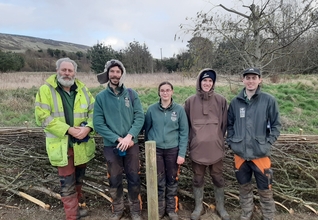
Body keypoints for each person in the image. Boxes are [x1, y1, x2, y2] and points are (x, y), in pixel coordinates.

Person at [35, 57, 96, 220]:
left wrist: (88, 127)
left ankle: (75, 210)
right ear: (57, 71)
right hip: (61, 145)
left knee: (78, 180)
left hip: (81, 145)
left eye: (70, 71)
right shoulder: (46, 90)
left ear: (75, 73)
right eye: (64, 70)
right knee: (67, 183)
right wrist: (68, 130)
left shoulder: (83, 90)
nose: (67, 73)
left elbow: (95, 112)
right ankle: (72, 216)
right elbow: (42, 117)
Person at [227, 67, 281, 220]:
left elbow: (276, 125)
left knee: (265, 189)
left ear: (260, 80)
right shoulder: (235, 102)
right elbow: (229, 125)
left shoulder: (268, 100)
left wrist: (268, 143)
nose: (250, 81)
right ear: (242, 80)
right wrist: (232, 142)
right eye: (247, 78)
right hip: (240, 154)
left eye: (254, 78)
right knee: (244, 188)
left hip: (260, 154)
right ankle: (246, 214)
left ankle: (268, 216)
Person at [93, 59, 145, 220]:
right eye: (112, 72)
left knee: (134, 177)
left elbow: (139, 116)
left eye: (118, 72)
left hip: (131, 144)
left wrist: (130, 136)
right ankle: (118, 210)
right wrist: (117, 139)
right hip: (112, 147)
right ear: (108, 74)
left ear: (122, 74)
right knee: (114, 179)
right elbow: (98, 124)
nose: (115, 75)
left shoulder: (131, 94)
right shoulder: (101, 97)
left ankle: (135, 210)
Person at [184, 68, 230, 220]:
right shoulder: (190, 101)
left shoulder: (221, 101)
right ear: (199, 82)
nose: (207, 83)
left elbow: (224, 125)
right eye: (204, 80)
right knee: (198, 178)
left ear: (213, 83)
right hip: (197, 150)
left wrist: (217, 139)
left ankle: (221, 207)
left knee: (218, 177)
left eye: (210, 81)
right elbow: (186, 126)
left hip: (215, 149)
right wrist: (193, 142)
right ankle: (198, 207)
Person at [144, 81, 189, 220]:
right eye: (162, 90)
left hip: (172, 150)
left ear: (172, 92)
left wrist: (181, 153)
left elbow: (184, 132)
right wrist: (149, 148)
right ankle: (159, 209)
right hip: (156, 150)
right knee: (159, 180)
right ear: (159, 92)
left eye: (168, 90)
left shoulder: (179, 110)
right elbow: (147, 129)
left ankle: (171, 210)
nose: (165, 93)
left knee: (172, 180)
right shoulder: (151, 109)